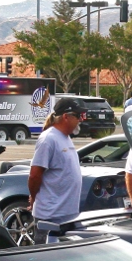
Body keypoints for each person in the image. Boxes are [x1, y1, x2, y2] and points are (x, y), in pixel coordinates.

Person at [28, 96, 86, 240]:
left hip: (68, 214)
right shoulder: (48, 139)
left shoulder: (65, 137)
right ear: (66, 116)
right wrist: (34, 197)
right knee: (47, 259)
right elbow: (35, 175)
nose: (81, 119)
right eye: (78, 115)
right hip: (51, 216)